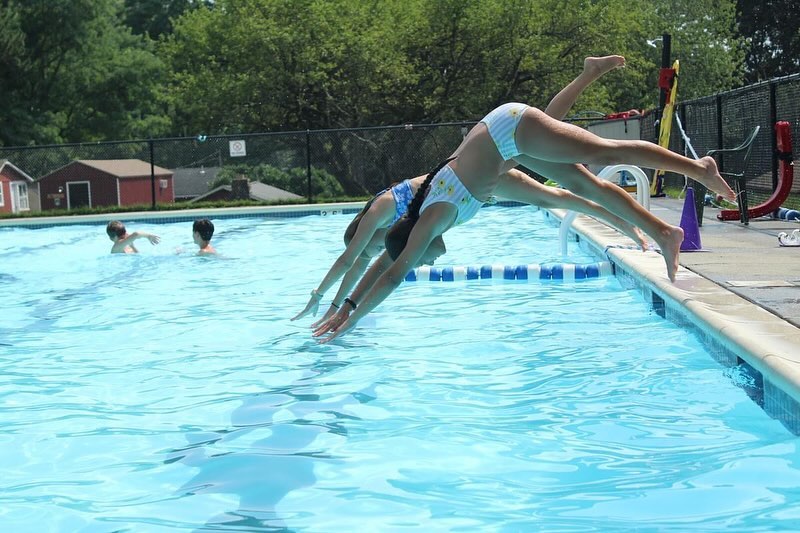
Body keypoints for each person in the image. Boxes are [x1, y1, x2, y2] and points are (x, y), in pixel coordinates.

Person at [312, 73, 736, 343]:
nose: (426, 263)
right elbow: (387, 261)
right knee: (583, 183)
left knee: (603, 152)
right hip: (504, 148)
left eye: (419, 258)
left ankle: (699, 168)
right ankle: (665, 233)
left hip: (508, 128)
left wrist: (348, 322)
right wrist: (345, 305)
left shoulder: (433, 217)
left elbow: (392, 274)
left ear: (417, 244)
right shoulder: (422, 221)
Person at [294, 55, 644, 324]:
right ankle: (588, 77)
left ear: (370, 234)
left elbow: (359, 264)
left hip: (473, 177)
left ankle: (623, 221)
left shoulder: (384, 211)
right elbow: (371, 268)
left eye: (367, 248)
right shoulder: (407, 226)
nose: (371, 254)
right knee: (550, 151)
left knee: (557, 186)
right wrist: (342, 307)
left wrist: (322, 298)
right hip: (465, 184)